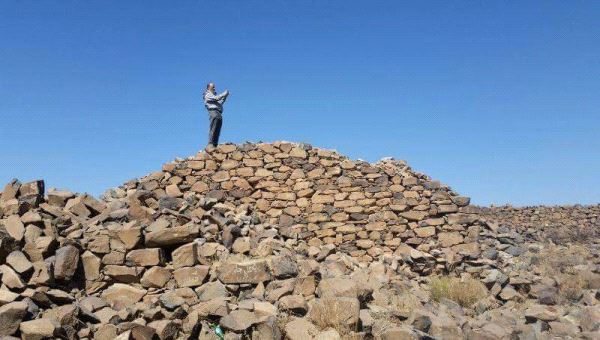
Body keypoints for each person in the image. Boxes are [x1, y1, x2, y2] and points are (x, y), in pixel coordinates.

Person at [203, 83, 230, 147]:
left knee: (218, 130)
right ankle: (210, 143)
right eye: (213, 87)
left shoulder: (213, 96)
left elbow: (220, 103)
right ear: (208, 88)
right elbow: (217, 98)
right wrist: (224, 93)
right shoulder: (208, 95)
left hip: (218, 113)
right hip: (213, 112)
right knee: (213, 128)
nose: (214, 88)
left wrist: (225, 97)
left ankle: (215, 144)